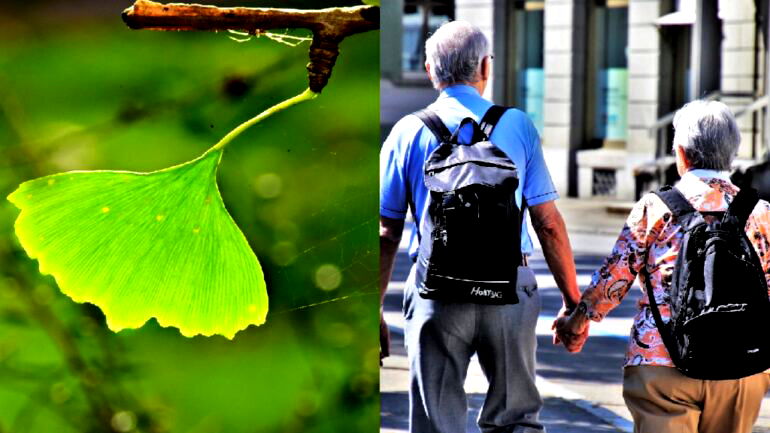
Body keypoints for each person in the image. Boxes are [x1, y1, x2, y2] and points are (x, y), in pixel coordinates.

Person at [380, 20, 583, 433]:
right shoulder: (519, 126)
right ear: (485, 68)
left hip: (436, 292)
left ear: (429, 70)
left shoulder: (406, 132)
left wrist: (372, 307)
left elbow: (387, 234)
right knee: (517, 418)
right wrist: (572, 301)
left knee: (437, 421)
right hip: (509, 287)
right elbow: (548, 224)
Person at [554, 99, 770, 433]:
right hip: (742, 364)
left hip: (661, 358)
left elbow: (615, 276)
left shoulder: (655, 208)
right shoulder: (761, 213)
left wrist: (577, 320)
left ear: (682, 154)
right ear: (733, 153)